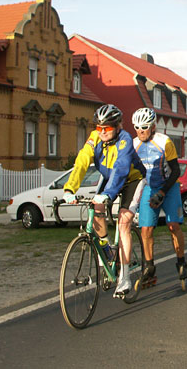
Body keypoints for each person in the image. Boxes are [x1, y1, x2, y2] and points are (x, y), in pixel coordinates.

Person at [63, 104, 145, 297]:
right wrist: (70, 188)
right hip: (109, 179)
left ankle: (125, 278)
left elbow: (121, 167)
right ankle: (106, 251)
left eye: (106, 128)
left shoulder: (124, 139)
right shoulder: (94, 138)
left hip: (131, 179)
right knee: (95, 209)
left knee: (123, 221)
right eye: (99, 128)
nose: (102, 132)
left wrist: (108, 193)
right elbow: (83, 160)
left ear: (117, 126)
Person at [131, 107, 187, 288]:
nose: (141, 131)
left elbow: (176, 171)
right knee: (146, 230)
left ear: (153, 126)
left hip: (169, 187)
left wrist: (162, 192)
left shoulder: (165, 142)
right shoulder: (133, 144)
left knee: (173, 226)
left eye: (145, 127)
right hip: (149, 187)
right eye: (137, 127)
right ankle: (150, 267)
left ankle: (181, 262)